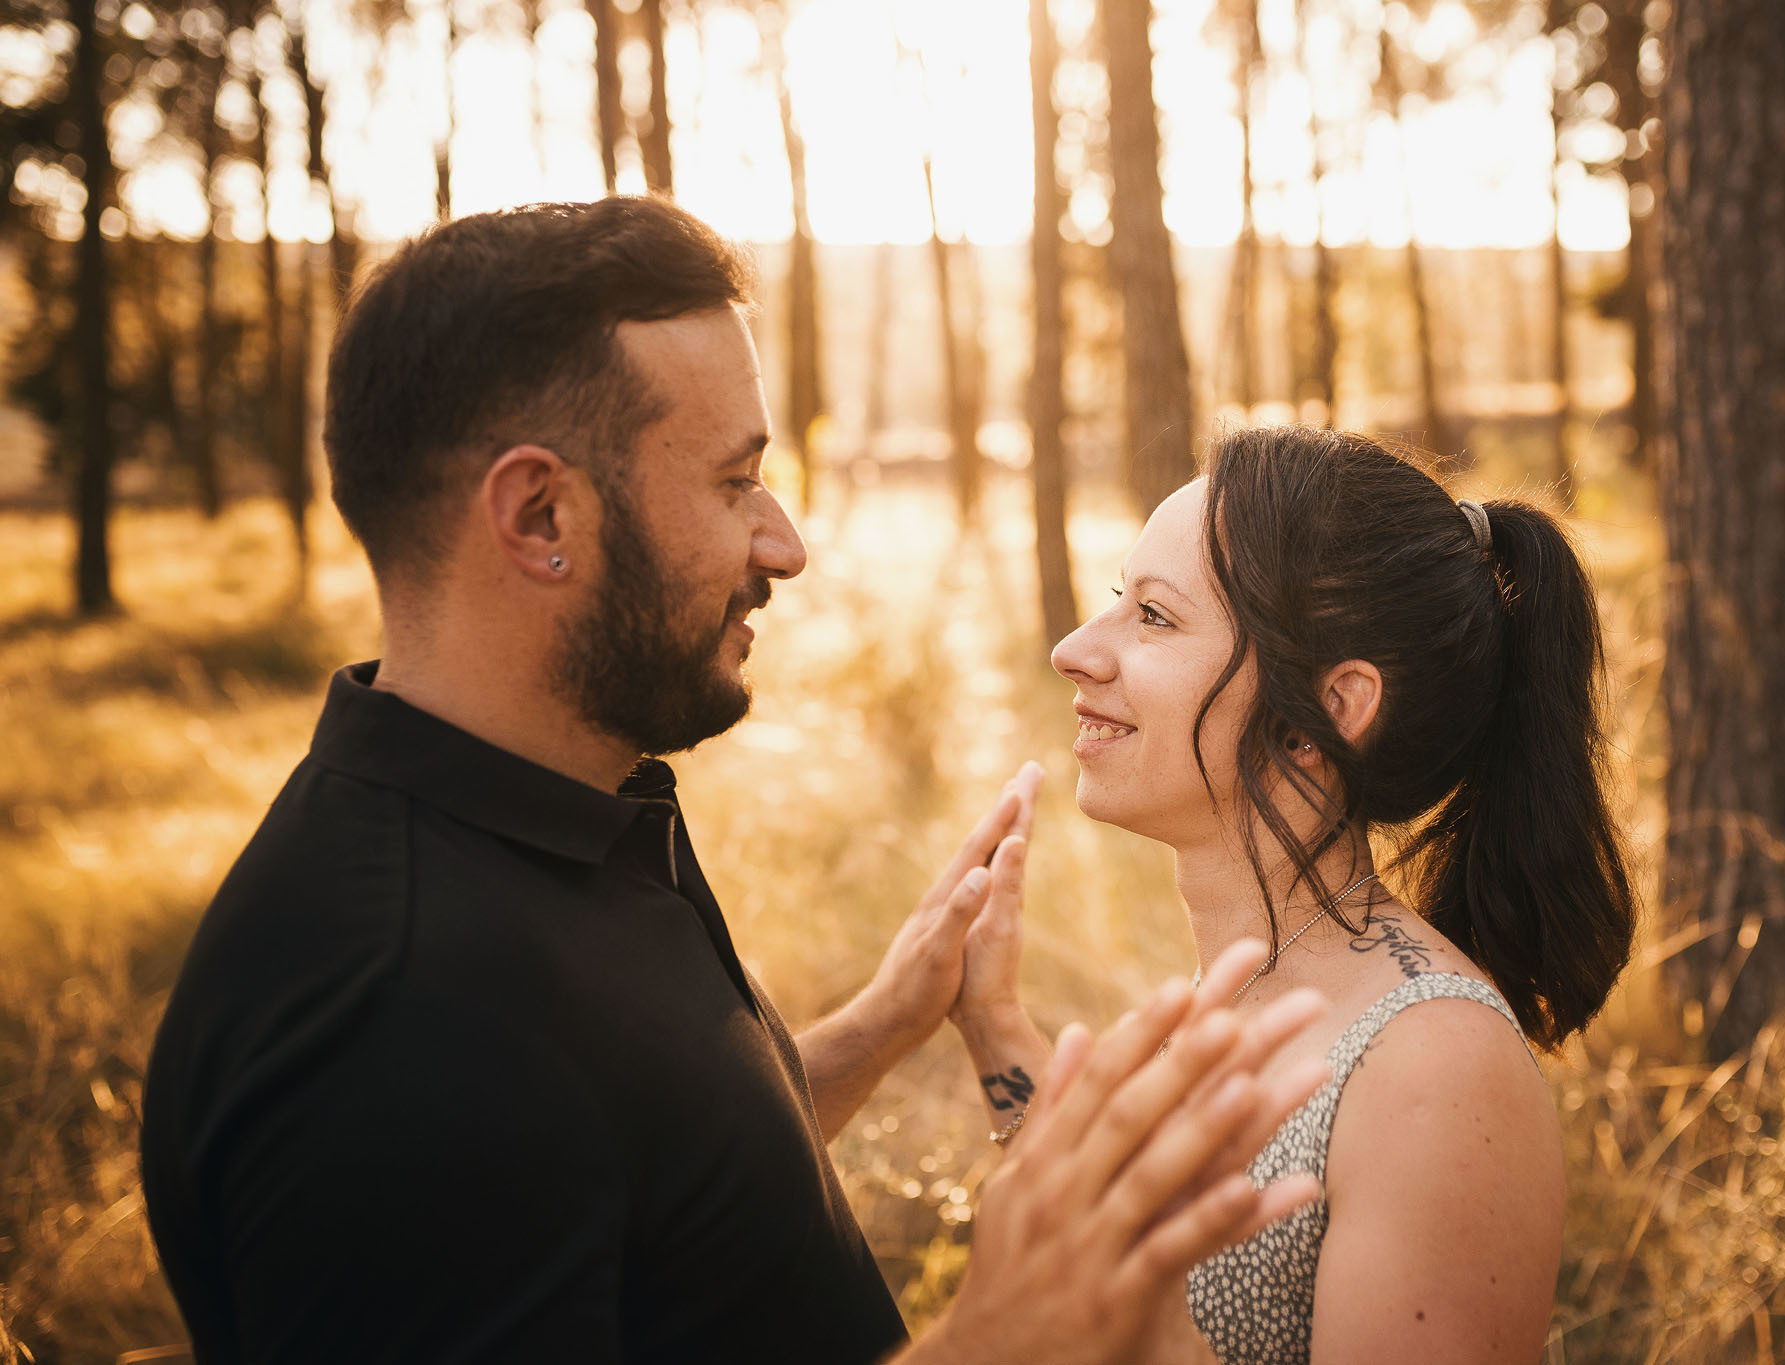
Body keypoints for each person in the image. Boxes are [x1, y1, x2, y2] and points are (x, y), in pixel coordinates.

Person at [138, 197, 1333, 1365]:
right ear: (540, 513)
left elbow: (641, 1195)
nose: (784, 543)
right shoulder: (394, 1022)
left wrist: (880, 1023)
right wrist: (992, 1342)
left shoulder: (566, 818)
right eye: (731, 480)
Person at [950, 426, 1638, 1363]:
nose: (1076, 649)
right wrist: (989, 1017)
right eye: (1120, 600)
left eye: (1153, 617)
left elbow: (1127, 1306)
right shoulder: (1233, 988)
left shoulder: (1434, 1070)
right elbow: (1092, 1239)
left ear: (1329, 713)